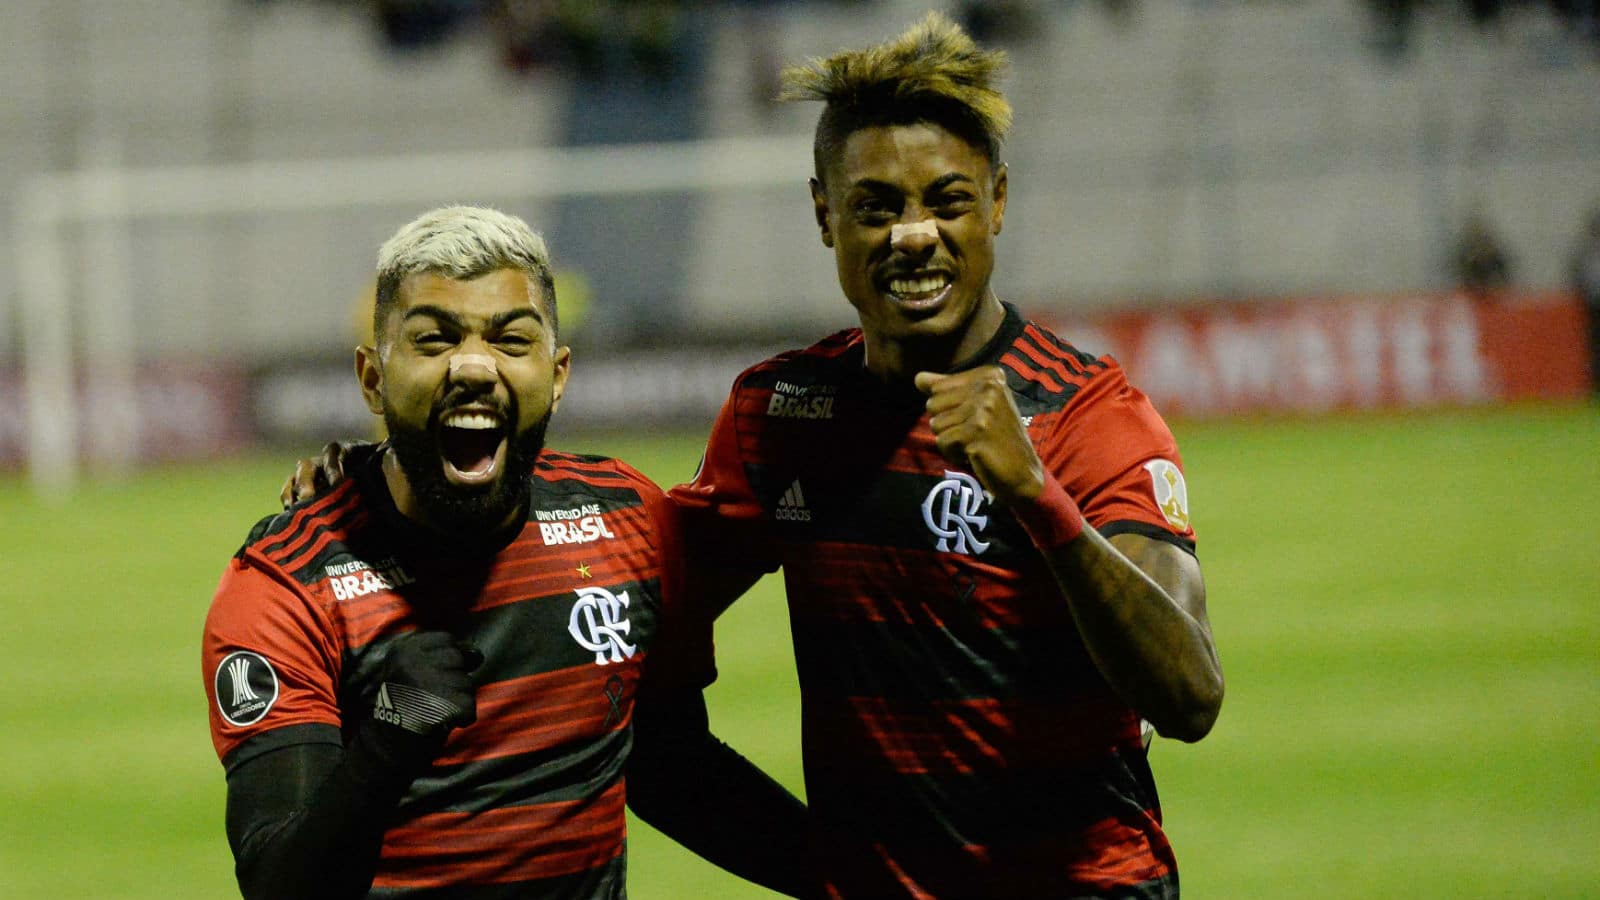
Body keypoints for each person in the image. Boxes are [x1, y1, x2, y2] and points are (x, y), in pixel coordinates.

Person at [286, 14, 1223, 898]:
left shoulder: (1089, 415)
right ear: (825, 215)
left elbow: (1189, 695)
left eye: (948, 202)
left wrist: (1038, 498)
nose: (913, 234)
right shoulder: (785, 418)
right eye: (875, 206)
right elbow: (623, 600)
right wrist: (385, 488)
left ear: (997, 204)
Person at [206, 206, 806, 900]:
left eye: (511, 340)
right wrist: (387, 742)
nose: (472, 366)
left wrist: (857, 877)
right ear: (372, 378)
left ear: (557, 373)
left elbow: (672, 770)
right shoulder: (287, 582)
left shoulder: (630, 522)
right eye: (434, 340)